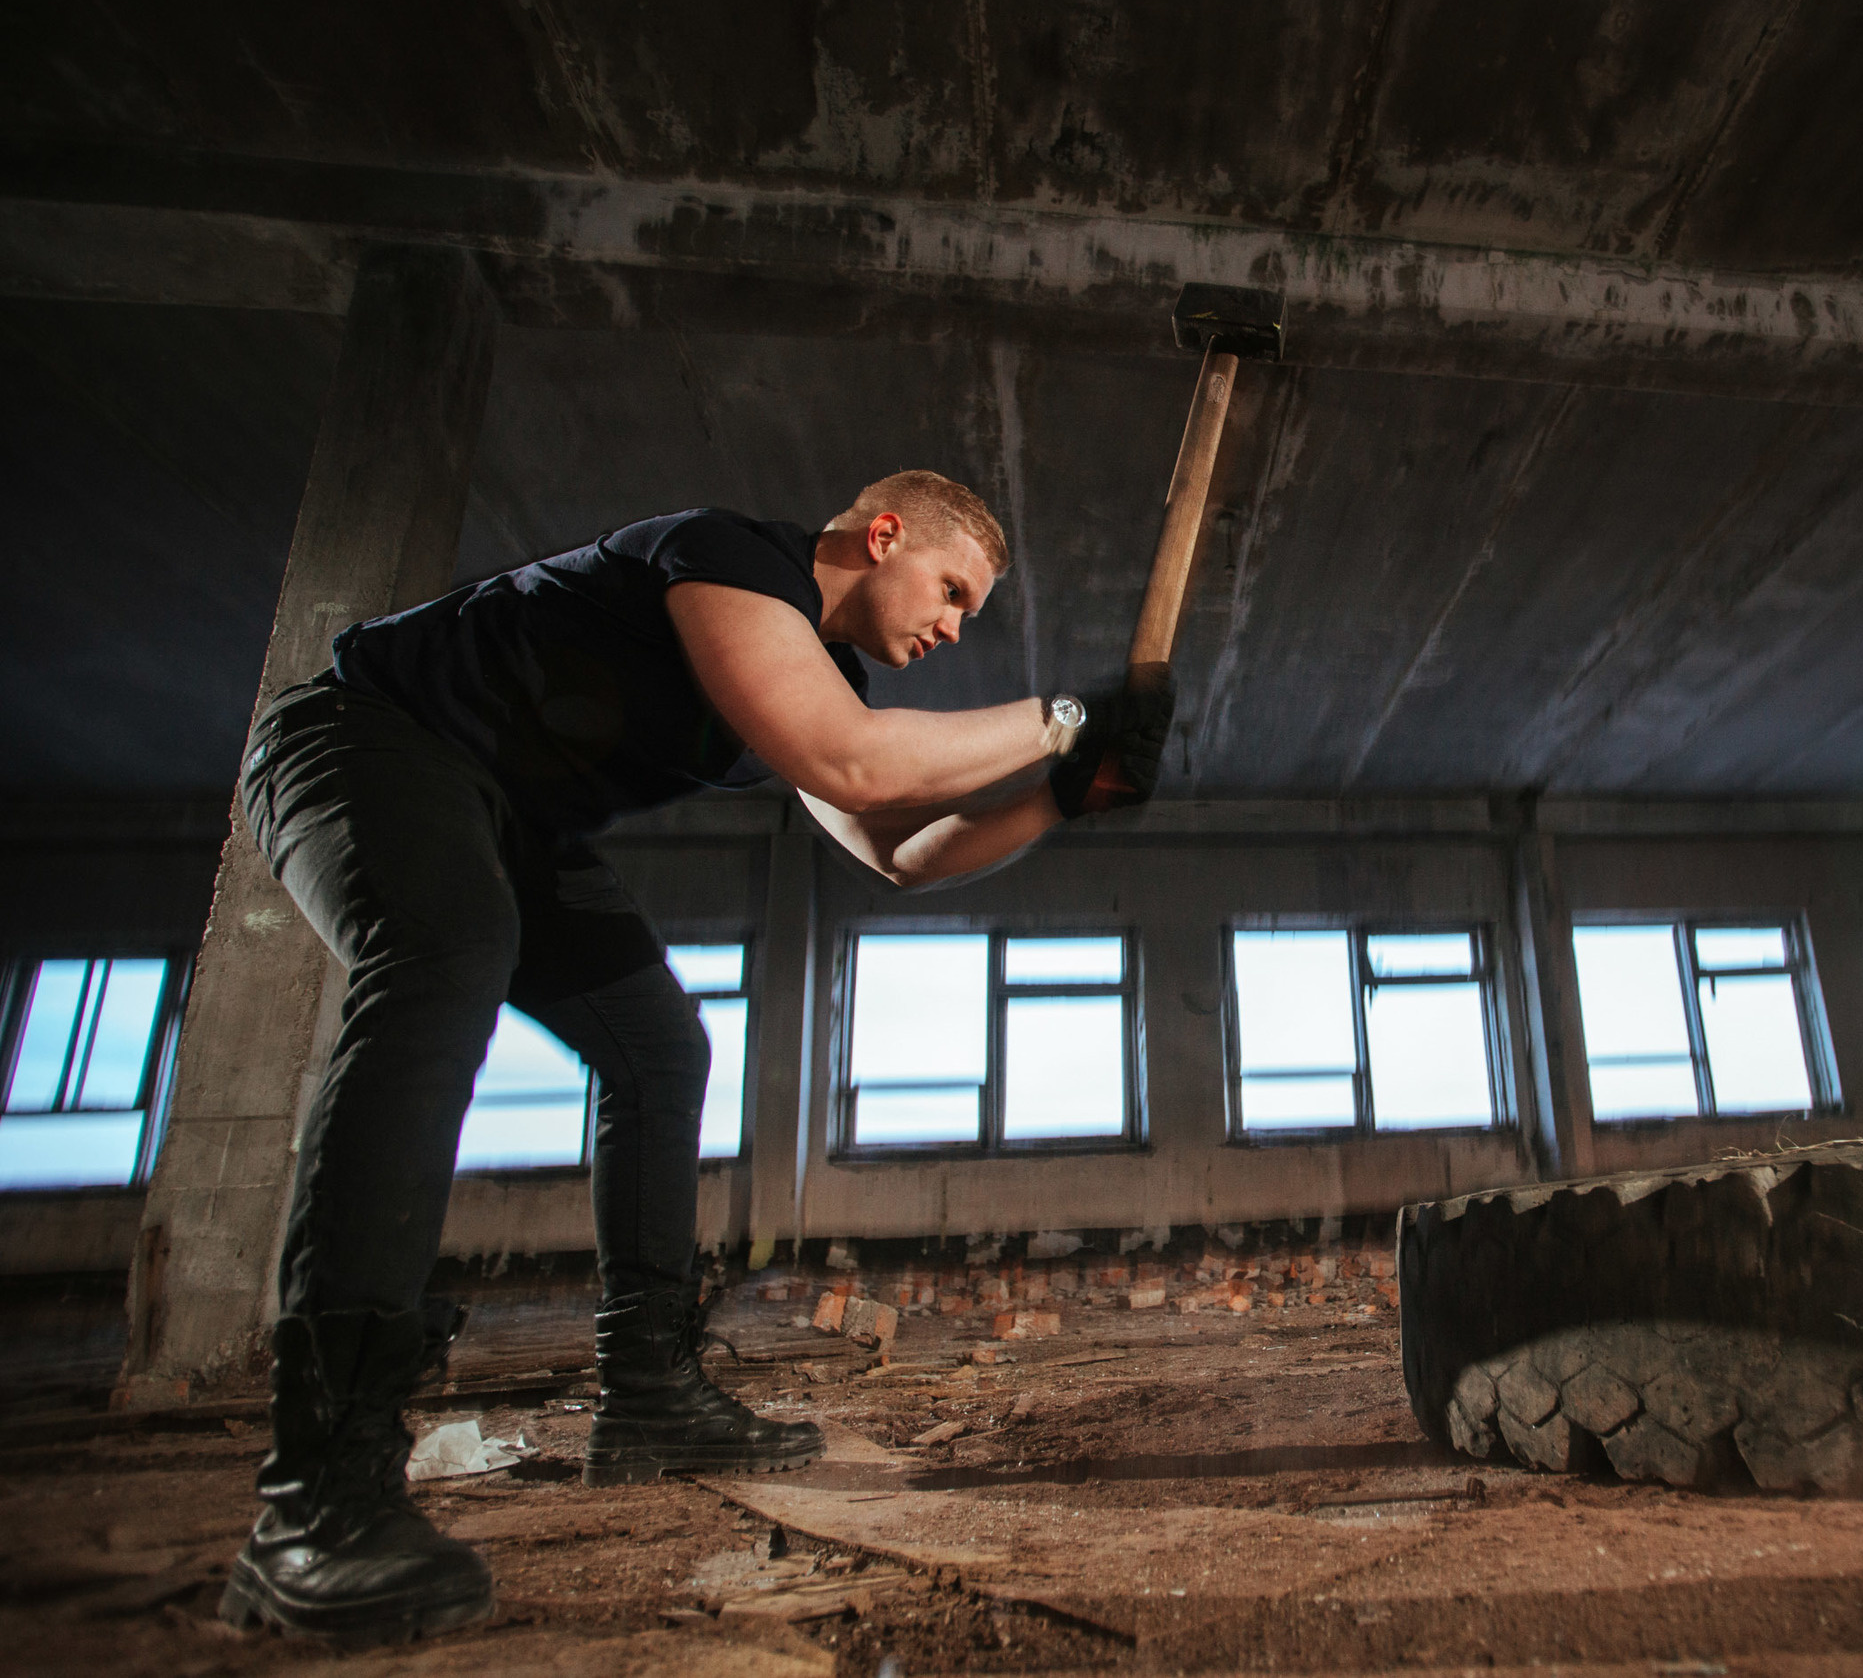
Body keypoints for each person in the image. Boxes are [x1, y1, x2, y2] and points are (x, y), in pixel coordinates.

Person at [217, 471, 1172, 1648]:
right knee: (443, 959)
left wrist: (1065, 799)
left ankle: (650, 1399)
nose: (954, 625)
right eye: (953, 591)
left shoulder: (819, 680)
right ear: (882, 537)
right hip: (365, 745)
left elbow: (898, 850)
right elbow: (862, 763)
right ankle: (315, 1505)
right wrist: (1066, 719)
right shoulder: (725, 558)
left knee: (662, 1051)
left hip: (506, 819)